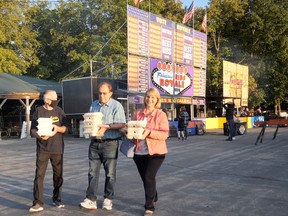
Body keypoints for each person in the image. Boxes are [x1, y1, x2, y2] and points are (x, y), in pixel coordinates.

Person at [80, 81, 126, 211]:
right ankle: (91, 199)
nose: (102, 96)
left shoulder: (116, 106)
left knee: (110, 173)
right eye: (100, 93)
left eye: (105, 93)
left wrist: (107, 127)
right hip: (94, 142)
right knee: (92, 172)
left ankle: (108, 199)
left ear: (111, 93)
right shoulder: (94, 104)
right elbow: (89, 119)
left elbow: (121, 124)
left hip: (110, 143)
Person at [131, 88, 169, 216]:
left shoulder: (161, 115)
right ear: (144, 98)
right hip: (139, 152)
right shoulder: (137, 113)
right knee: (145, 178)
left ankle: (149, 207)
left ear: (157, 100)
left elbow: (164, 134)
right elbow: (132, 128)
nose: (150, 99)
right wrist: (128, 131)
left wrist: (149, 132)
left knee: (148, 176)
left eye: (153, 97)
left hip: (156, 152)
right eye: (148, 96)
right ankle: (154, 195)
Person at [29, 90, 69, 213]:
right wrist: (40, 136)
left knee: (58, 175)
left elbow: (66, 128)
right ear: (47, 99)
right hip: (43, 149)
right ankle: (38, 203)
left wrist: (57, 129)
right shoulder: (38, 111)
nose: (56, 100)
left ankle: (57, 199)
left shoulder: (59, 111)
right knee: (39, 176)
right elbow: (32, 130)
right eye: (54, 98)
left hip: (57, 149)